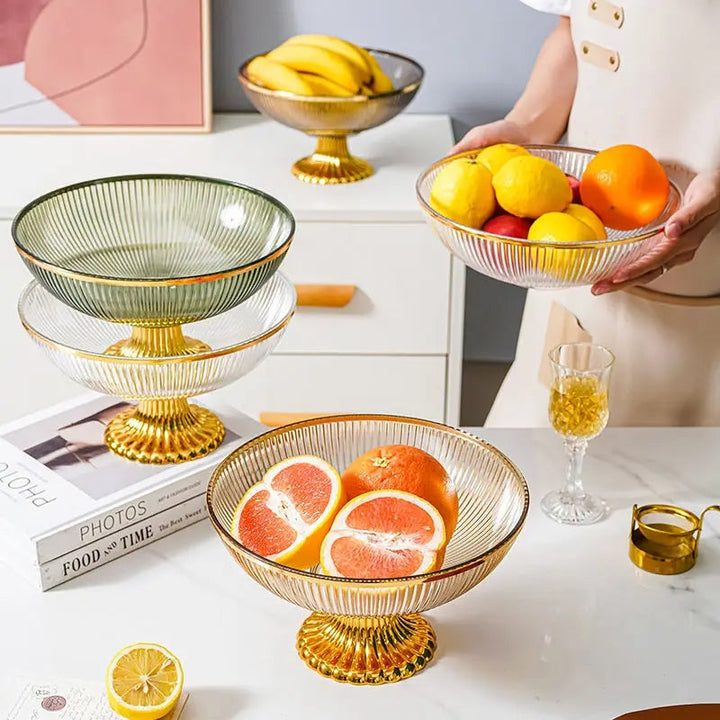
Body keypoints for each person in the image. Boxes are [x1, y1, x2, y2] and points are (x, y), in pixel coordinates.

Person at [453, 0, 720, 427]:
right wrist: (527, 124)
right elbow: (574, 24)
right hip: (573, 274)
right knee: (542, 456)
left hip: (707, 310)